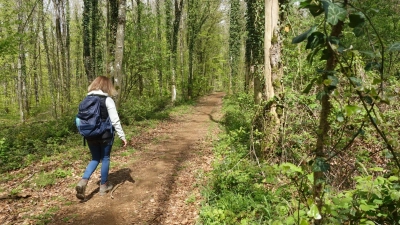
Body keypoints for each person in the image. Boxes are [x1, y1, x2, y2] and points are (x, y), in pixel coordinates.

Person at [75, 76, 128, 200]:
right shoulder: (107, 100)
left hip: (90, 134)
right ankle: (103, 185)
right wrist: (122, 136)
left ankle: (83, 181)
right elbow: (115, 120)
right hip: (105, 135)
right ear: (107, 86)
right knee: (105, 158)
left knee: (95, 158)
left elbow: (79, 119)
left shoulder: (85, 100)